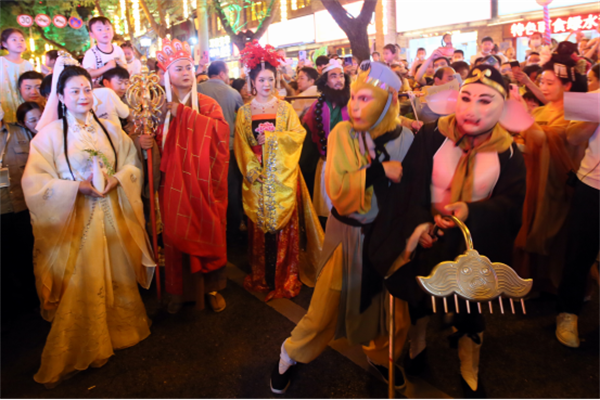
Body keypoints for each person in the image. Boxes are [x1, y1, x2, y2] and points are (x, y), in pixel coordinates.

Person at [368, 65, 527, 399]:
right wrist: (420, 223)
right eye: (466, 98)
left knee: (470, 309)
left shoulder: (509, 151)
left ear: (503, 106)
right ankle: (418, 347)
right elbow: (410, 187)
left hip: (474, 241)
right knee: (419, 297)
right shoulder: (432, 135)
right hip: (428, 234)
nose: (471, 109)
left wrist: (472, 212)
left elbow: (512, 204)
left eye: (485, 101)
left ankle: (470, 368)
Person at [271, 61, 414, 395]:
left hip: (387, 237)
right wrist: (379, 172)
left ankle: (381, 356)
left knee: (391, 310)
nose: (355, 106)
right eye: (354, 98)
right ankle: (290, 354)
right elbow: (337, 189)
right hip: (348, 233)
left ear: (390, 101)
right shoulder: (343, 133)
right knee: (325, 308)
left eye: (365, 98)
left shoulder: (406, 136)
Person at [22, 62, 155, 387]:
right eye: (74, 91)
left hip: (111, 214)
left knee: (117, 271)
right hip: (76, 219)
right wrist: (75, 188)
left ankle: (120, 329)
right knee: (85, 276)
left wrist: (118, 179)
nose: (83, 96)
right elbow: (35, 182)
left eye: (86, 89)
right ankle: (90, 340)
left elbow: (130, 162)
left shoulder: (109, 128)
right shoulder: (49, 136)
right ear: (61, 97)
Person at [234, 41, 323, 302]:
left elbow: (298, 135)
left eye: (270, 79)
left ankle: (285, 275)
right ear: (252, 82)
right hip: (258, 177)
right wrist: (252, 169)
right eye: (261, 80)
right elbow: (241, 144)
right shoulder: (244, 112)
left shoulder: (284, 108)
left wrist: (273, 139)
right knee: (259, 229)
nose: (266, 84)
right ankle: (262, 275)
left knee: (285, 229)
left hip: (282, 175)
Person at [152, 39, 230, 314]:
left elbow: (221, 136)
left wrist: (184, 114)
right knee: (175, 235)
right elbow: (155, 142)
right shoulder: (159, 108)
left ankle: (212, 288)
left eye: (189, 67)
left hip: (202, 183)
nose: (186, 72)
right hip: (173, 183)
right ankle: (178, 292)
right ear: (167, 75)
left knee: (207, 230)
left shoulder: (207, 104)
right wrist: (143, 142)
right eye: (179, 69)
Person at [513, 45, 588, 297]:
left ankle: (558, 287)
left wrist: (521, 117)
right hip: (534, 177)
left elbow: (553, 139)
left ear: (567, 85)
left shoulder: (578, 111)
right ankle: (534, 282)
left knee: (556, 231)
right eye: (541, 82)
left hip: (558, 180)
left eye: (549, 83)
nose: (543, 87)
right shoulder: (542, 110)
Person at [555, 72, 600, 348]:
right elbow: (571, 137)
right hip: (592, 185)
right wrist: (595, 117)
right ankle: (567, 312)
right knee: (579, 253)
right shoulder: (592, 98)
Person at [0, 101, 39, 332]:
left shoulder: (21, 132)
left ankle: (34, 302)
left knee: (29, 256)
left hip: (24, 207)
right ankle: (9, 311)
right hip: (1, 211)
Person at [299, 59, 350, 224]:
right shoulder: (317, 106)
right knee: (326, 215)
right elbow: (307, 137)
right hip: (326, 164)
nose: (339, 80)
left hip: (349, 166)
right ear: (325, 81)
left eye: (341, 76)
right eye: (334, 76)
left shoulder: (355, 104)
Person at [198, 60, 245, 236]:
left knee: (207, 187)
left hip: (204, 147)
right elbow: (243, 116)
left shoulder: (198, 90)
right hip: (228, 146)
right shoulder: (233, 93)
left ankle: (210, 226)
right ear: (222, 74)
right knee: (230, 187)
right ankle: (233, 227)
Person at [0, 28, 33, 123]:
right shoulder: (1, 61)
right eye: (14, 39)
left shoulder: (28, 64)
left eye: (22, 39)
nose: (19, 42)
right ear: (4, 44)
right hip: (5, 106)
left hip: (24, 107)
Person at [82, 16, 127, 82]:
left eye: (108, 28)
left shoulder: (118, 50)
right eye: (99, 29)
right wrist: (106, 67)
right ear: (92, 34)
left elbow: (125, 67)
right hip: (99, 87)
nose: (105, 32)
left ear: (113, 31)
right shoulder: (91, 53)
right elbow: (87, 73)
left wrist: (122, 65)